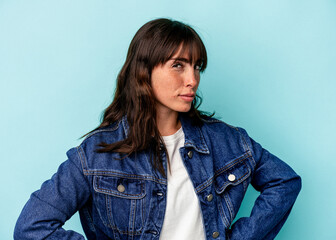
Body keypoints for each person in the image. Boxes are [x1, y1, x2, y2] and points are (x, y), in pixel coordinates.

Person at [14, 18, 301, 240]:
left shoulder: (226, 141)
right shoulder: (96, 155)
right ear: (144, 72)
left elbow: (285, 181)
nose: (192, 79)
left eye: (197, 67)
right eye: (178, 65)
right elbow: (32, 227)